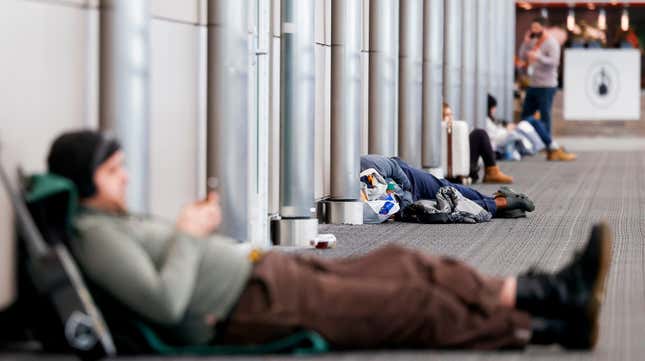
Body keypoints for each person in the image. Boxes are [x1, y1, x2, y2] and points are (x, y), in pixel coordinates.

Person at [47, 130, 611, 351]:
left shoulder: (114, 221)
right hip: (254, 304)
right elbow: (166, 303)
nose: (124, 176)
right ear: (86, 179)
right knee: (406, 303)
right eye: (113, 170)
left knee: (406, 264)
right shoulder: (96, 239)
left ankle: (544, 294)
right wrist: (191, 235)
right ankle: (547, 314)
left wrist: (189, 234)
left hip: (266, 273)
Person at [361, 154, 532, 219]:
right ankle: (499, 204)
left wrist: (404, 201)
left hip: (411, 180)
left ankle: (496, 201)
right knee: (446, 207)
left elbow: (399, 176)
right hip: (404, 205)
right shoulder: (351, 190)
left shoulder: (367, 163)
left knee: (449, 190)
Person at [518, 17, 576, 162]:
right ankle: (527, 142)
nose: (534, 31)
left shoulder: (551, 42)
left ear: (544, 28)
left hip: (547, 85)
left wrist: (538, 57)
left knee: (545, 116)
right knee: (526, 114)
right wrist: (525, 44)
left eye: (537, 28)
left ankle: (549, 147)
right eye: (532, 28)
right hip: (532, 84)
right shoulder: (532, 42)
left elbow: (554, 62)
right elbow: (522, 56)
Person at [442, 102, 513, 184]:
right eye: (447, 115)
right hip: (454, 170)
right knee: (479, 134)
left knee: (479, 134)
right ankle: (491, 172)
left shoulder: (453, 129)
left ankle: (492, 171)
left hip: (459, 167)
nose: (451, 118)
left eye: (451, 114)